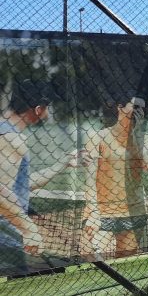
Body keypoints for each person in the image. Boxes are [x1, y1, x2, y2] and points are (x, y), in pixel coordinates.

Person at [0, 80, 86, 275]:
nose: (47, 114)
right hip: (6, 237)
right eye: (47, 108)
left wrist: (62, 164)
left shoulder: (7, 131)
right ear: (38, 109)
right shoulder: (11, 138)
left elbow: (19, 186)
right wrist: (29, 228)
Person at [82, 93, 148, 259]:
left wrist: (138, 131)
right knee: (94, 261)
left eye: (142, 109)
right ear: (120, 107)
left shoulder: (143, 137)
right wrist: (93, 212)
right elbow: (89, 180)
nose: (139, 111)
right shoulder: (97, 137)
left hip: (133, 210)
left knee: (126, 262)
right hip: (102, 212)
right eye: (135, 106)